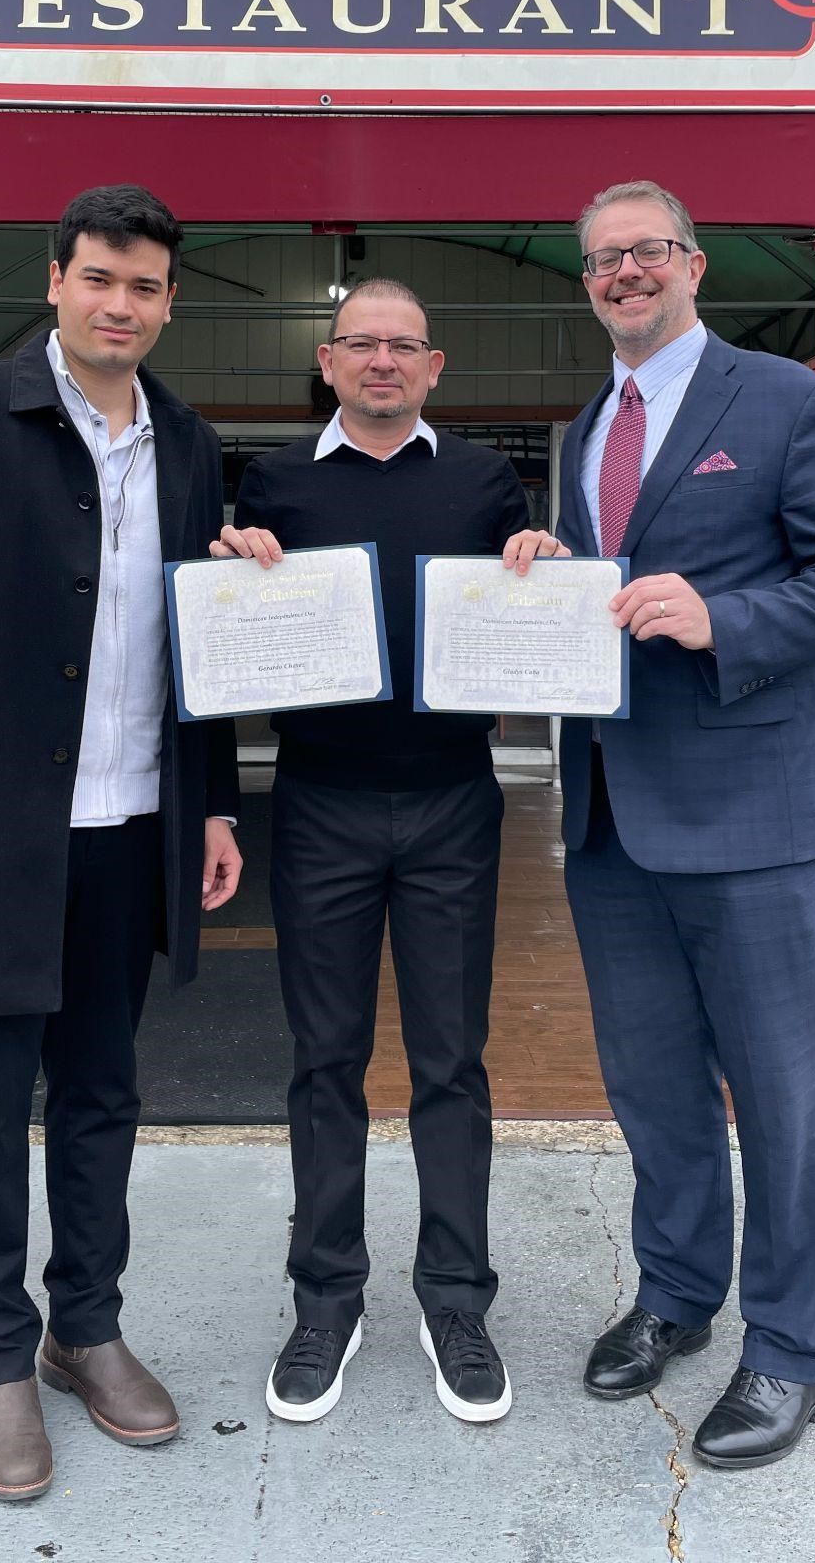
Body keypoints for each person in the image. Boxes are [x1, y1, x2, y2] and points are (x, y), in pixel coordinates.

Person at [0, 185, 241, 1503]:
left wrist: (213, 804)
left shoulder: (187, 442)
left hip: (131, 827)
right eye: (99, 278)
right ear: (55, 280)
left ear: (169, 303)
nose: (121, 304)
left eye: (145, 286)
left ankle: (88, 1324)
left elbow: (199, 640)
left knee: (104, 1093)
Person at [556, 180, 815, 1471]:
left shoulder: (786, 399)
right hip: (611, 816)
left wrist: (724, 619)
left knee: (780, 1091)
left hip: (756, 811)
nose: (626, 272)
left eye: (647, 250)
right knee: (653, 1087)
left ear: (693, 264)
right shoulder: (587, 427)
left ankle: (791, 1349)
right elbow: (608, 592)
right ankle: (678, 1292)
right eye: (603, 259)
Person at [212, 278, 563, 1428]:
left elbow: (515, 605)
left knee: (451, 1061)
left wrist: (538, 561)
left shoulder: (484, 479)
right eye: (360, 343)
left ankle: (456, 1299)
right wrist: (233, 567)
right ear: (326, 360)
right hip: (320, 803)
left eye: (402, 344)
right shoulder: (275, 482)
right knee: (326, 1061)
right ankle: (327, 1300)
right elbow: (238, 624)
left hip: (455, 802)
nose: (381, 360)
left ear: (433, 365)